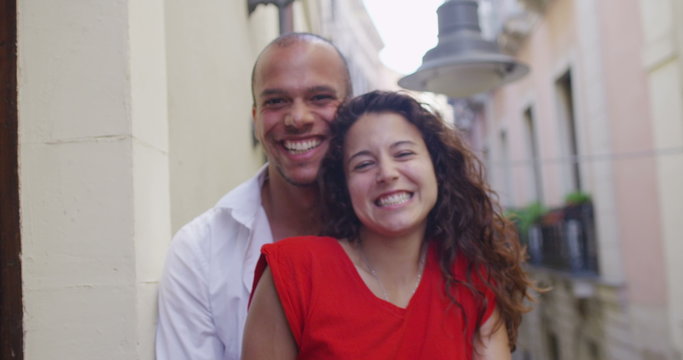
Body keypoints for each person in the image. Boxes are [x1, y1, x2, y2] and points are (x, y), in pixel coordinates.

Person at [242, 91, 534, 359]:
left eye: (403, 153)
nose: (387, 173)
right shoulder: (293, 273)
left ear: (437, 168)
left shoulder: (472, 278)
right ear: (344, 187)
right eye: (363, 164)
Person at [155, 32, 353, 360]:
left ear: (351, 110)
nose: (298, 118)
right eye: (275, 101)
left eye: (320, 97)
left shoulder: (391, 232)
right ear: (255, 118)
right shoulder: (199, 252)